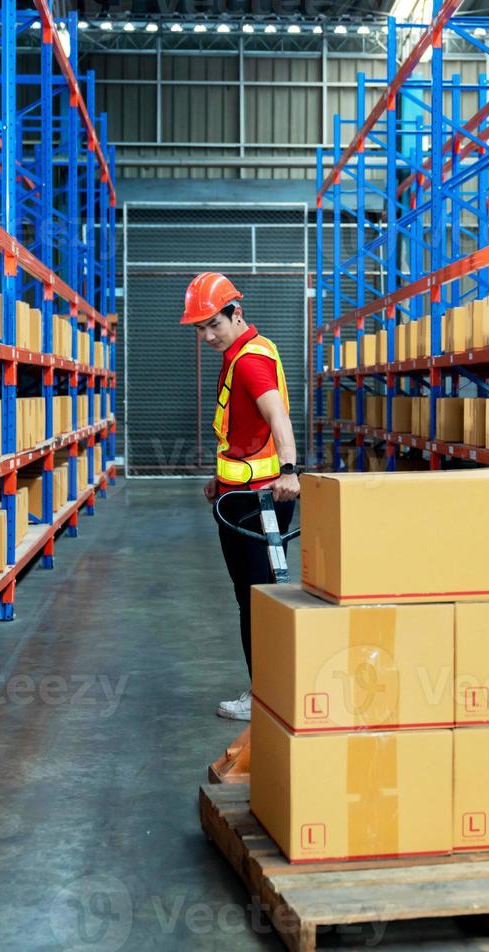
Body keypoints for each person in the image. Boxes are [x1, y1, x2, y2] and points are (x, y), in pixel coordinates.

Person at [181, 272, 300, 722]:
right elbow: (242, 430)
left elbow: (276, 416)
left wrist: (289, 468)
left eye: (214, 323)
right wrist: (220, 478)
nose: (208, 335)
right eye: (200, 328)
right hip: (240, 494)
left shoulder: (249, 360)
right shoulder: (245, 351)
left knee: (258, 600)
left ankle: (266, 696)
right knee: (252, 595)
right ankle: (266, 689)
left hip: (259, 502)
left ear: (236, 313)